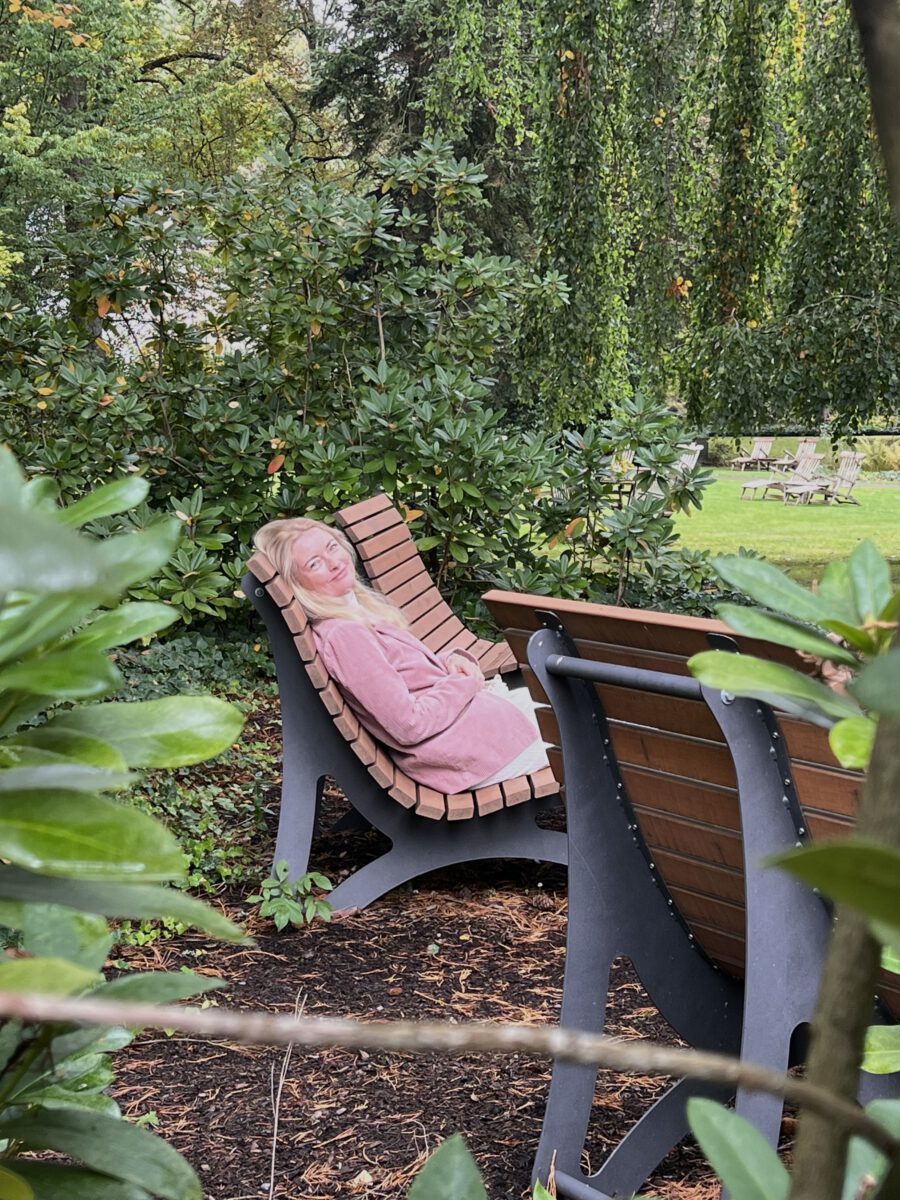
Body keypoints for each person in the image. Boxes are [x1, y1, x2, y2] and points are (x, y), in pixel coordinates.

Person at [253, 516, 549, 794]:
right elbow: (409, 724)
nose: (333, 563)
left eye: (331, 547)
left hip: (475, 736)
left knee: (578, 703)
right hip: (468, 756)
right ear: (298, 584)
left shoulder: (353, 611)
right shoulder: (345, 636)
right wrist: (465, 683)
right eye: (315, 564)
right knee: (587, 723)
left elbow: (403, 675)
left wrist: (449, 662)